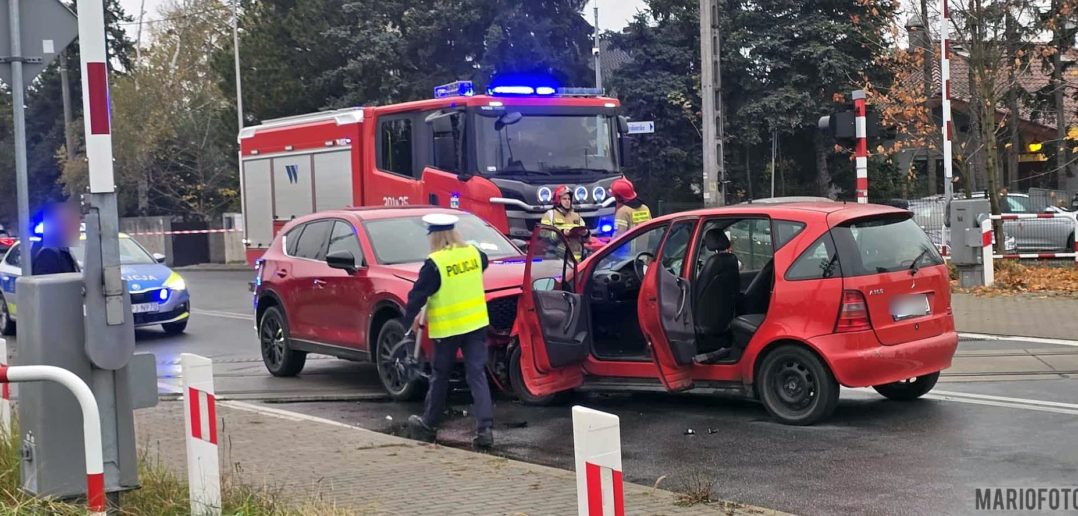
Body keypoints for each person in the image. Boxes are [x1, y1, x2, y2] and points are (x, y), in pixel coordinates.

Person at [404, 213, 495, 449]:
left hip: (448, 329)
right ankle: (485, 430)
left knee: (440, 376)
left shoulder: (435, 263)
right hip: (476, 324)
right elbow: (478, 270)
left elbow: (416, 296)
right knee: (477, 374)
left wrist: (409, 325)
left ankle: (429, 425)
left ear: (434, 236)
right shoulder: (475, 254)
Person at [31, 202, 81, 275]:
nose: (79, 232)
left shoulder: (61, 251)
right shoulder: (48, 254)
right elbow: (48, 284)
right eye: (76, 227)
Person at [541, 185, 587, 259]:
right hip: (556, 257)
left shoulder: (576, 216)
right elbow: (543, 234)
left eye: (569, 199)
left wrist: (585, 234)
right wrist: (562, 233)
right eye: (564, 199)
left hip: (576, 258)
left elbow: (588, 239)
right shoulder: (550, 215)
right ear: (558, 200)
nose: (567, 201)